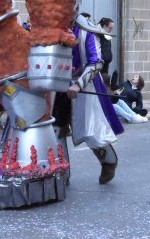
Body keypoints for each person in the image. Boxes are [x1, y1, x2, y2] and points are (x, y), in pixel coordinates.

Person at [54, 13, 124, 185]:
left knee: (91, 129)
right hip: (57, 85)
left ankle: (108, 160)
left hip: (85, 85)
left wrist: (78, 85)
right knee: (56, 128)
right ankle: (62, 172)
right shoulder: (50, 26)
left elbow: (96, 61)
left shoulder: (86, 28)